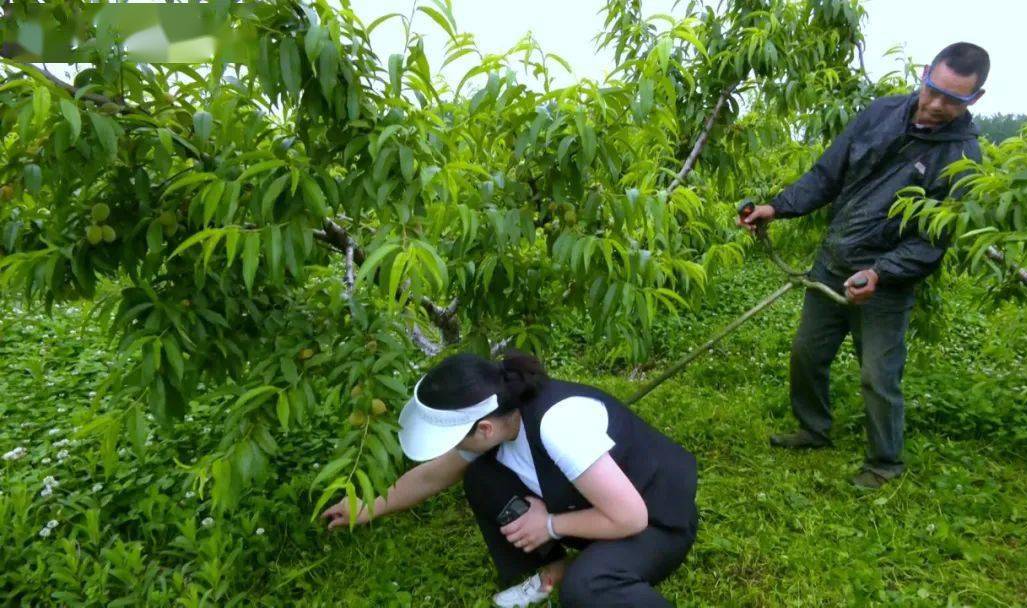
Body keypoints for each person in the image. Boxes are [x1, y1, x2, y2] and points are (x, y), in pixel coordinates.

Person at [738, 42, 988, 488]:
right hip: (834, 262)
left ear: (975, 100)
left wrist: (881, 272)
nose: (936, 104)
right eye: (933, 89)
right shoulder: (880, 113)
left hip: (886, 283)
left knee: (878, 374)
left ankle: (884, 463)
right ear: (926, 72)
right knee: (807, 354)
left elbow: (933, 241)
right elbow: (826, 174)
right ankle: (813, 430)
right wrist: (776, 208)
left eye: (953, 99)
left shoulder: (964, 158)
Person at [321, 351, 698, 607]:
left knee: (587, 588)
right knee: (481, 478)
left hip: (655, 521)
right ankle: (555, 565)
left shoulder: (559, 426)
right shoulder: (502, 417)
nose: (449, 451)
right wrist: (369, 506)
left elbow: (631, 517)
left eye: (454, 440)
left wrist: (549, 524)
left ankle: (587, 571)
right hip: (596, 507)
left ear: (483, 428)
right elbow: (434, 476)